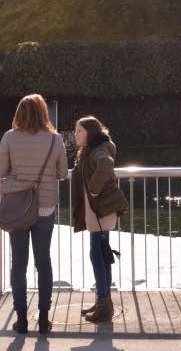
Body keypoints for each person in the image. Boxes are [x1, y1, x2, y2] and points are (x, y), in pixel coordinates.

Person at [0, 94, 68, 335]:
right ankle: (44, 318)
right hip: (45, 206)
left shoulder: (9, 137)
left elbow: (0, 171)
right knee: (43, 261)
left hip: (18, 207)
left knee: (18, 263)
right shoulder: (55, 139)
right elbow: (62, 173)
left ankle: (21, 319)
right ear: (44, 112)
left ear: (19, 113)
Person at [71, 116, 128, 323]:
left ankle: (104, 304)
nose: (75, 134)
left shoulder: (98, 150)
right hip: (97, 211)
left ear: (90, 132)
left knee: (97, 254)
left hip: (100, 211)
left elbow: (105, 166)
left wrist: (94, 190)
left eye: (79, 130)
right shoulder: (92, 150)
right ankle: (103, 300)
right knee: (102, 253)